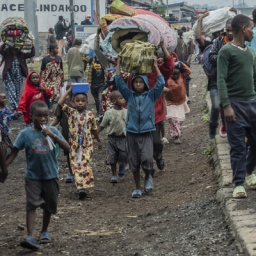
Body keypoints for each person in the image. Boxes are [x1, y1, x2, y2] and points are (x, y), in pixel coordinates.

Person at [4, 100, 70, 250]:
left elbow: (67, 147)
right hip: (33, 177)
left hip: (51, 175)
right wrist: (4, 168)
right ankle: (30, 236)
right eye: (39, 116)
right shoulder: (25, 134)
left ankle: (44, 231)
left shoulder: (53, 130)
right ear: (31, 116)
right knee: (32, 205)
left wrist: (53, 135)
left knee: (49, 205)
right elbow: (14, 153)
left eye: (45, 116)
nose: (43, 119)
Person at [217, 14, 256, 198]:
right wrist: (226, 105)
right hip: (235, 105)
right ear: (243, 29)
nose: (253, 32)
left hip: (252, 103)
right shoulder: (226, 52)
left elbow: (254, 79)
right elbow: (221, 80)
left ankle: (249, 172)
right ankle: (238, 183)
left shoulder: (250, 53)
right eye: (251, 28)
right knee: (238, 146)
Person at [115, 56, 165, 198]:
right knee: (134, 161)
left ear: (145, 84)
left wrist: (155, 66)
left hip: (146, 132)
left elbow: (161, 83)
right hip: (131, 133)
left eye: (140, 82)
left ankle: (148, 177)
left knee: (147, 159)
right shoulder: (129, 96)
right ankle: (137, 187)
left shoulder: (151, 96)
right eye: (135, 82)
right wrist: (119, 63)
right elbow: (119, 82)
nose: (137, 84)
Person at [127, 40, 174, 172]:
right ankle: (148, 168)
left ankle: (158, 156)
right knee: (142, 146)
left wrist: (163, 47)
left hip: (155, 112)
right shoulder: (134, 74)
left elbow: (170, 66)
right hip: (139, 116)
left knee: (156, 142)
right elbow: (129, 93)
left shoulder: (156, 70)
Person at [58, 87, 102, 199]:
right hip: (74, 146)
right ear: (73, 102)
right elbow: (60, 103)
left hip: (87, 145)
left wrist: (98, 140)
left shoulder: (91, 115)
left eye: (83, 101)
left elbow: (94, 129)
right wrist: (68, 91)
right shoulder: (71, 112)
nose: (80, 103)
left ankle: (84, 187)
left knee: (85, 165)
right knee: (76, 166)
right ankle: (80, 187)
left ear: (87, 102)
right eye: (77, 101)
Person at [208, 18, 234, 139]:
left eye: (232, 30)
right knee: (216, 105)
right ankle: (212, 128)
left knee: (228, 105)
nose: (230, 33)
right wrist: (224, 57)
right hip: (216, 79)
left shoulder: (238, 42)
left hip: (232, 80)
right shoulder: (217, 42)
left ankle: (226, 126)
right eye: (227, 30)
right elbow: (211, 57)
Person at [98, 90, 127, 183]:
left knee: (123, 154)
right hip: (112, 138)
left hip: (123, 138)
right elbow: (102, 125)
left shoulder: (126, 112)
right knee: (112, 157)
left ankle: (122, 165)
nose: (124, 100)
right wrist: (95, 134)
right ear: (114, 101)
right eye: (121, 98)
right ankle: (114, 175)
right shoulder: (109, 113)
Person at [0, 44, 35, 111]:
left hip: (18, 76)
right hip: (9, 76)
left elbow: (32, 54)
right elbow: (1, 50)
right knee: (11, 91)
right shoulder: (7, 54)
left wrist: (32, 45)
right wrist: (5, 43)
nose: (14, 49)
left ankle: (17, 107)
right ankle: (15, 107)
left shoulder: (21, 55)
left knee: (18, 92)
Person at [51, 83, 74, 183]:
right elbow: (57, 118)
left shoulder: (80, 101)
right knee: (68, 153)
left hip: (79, 133)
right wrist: (49, 127)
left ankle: (79, 172)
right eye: (70, 89)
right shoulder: (64, 102)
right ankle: (71, 172)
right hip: (66, 132)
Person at [164, 61, 191, 144]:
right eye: (173, 74)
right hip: (170, 102)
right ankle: (176, 135)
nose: (175, 76)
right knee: (172, 119)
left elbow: (188, 71)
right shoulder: (166, 79)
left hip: (180, 102)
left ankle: (175, 133)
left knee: (180, 119)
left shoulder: (182, 76)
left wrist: (180, 63)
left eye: (177, 74)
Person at [174, 26, 194, 100]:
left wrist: (187, 61)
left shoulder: (189, 39)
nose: (179, 31)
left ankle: (186, 96)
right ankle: (180, 96)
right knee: (178, 79)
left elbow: (191, 52)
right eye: (178, 30)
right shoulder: (176, 40)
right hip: (178, 63)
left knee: (186, 79)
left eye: (180, 30)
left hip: (185, 63)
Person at [0, 93, 19, 157]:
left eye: (5, 98)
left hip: (5, 130)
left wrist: (16, 114)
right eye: (3, 98)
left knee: (6, 140)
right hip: (1, 130)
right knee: (3, 142)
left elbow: (11, 115)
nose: (5, 100)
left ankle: (11, 152)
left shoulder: (6, 109)